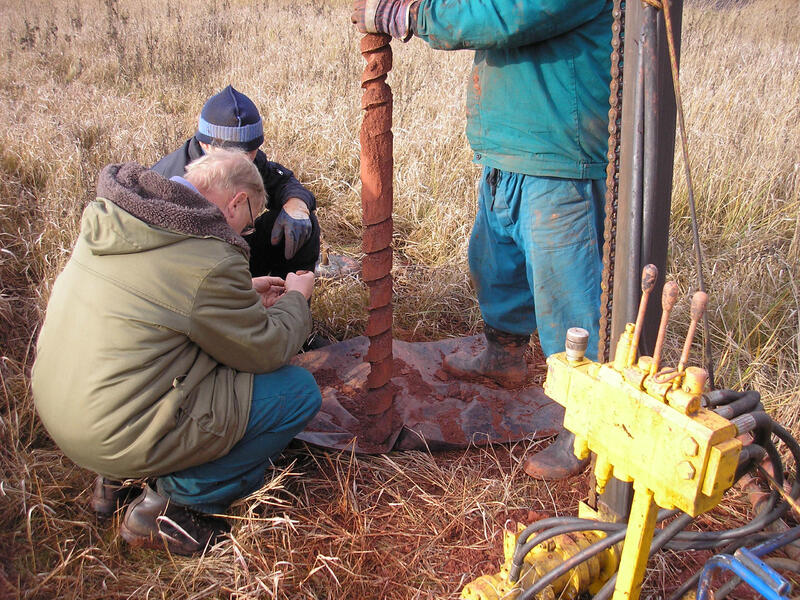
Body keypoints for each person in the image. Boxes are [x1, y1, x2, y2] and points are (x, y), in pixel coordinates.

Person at [352, 0, 612, 478]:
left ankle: (585, 429)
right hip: (506, 151)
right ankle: (504, 354)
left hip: (558, 159)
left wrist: (413, 16)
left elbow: (507, 14)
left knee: (568, 302)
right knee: (495, 266)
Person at [32, 150, 322, 555]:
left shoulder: (117, 217)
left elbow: (158, 307)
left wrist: (240, 295)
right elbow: (266, 351)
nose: (245, 233)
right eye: (249, 222)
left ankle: (114, 480)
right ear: (236, 201)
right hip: (115, 431)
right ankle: (171, 508)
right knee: (297, 393)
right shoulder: (206, 252)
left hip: (63, 405)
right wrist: (296, 299)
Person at [152, 85, 320, 280]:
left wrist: (297, 205)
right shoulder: (171, 183)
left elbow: (282, 181)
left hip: (236, 250)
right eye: (234, 153)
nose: (245, 161)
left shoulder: (246, 162)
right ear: (205, 144)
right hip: (193, 270)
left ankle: (288, 293)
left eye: (251, 151)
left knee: (305, 224)